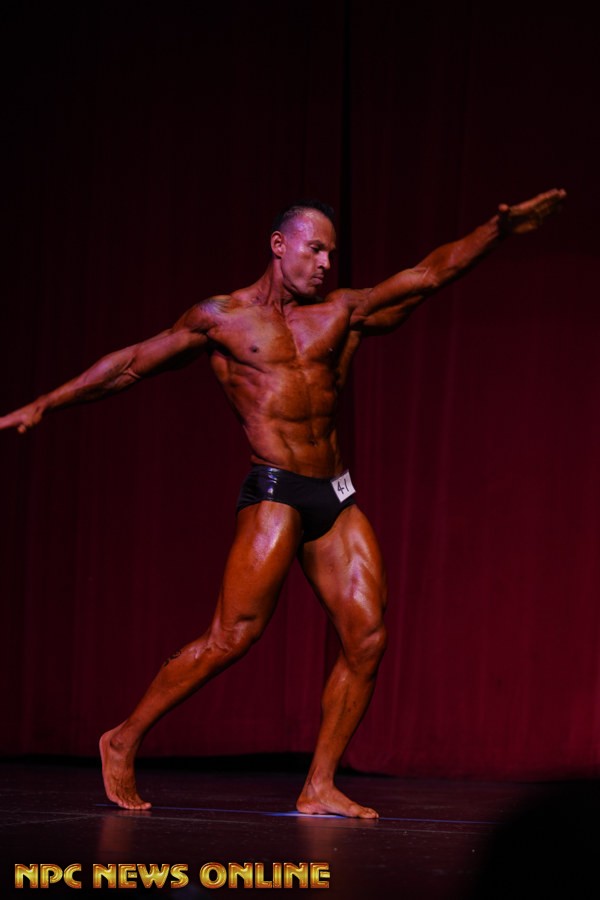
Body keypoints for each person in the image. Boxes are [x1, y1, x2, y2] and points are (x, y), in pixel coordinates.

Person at [0, 188, 566, 817]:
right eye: (315, 249)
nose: (325, 263)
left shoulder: (341, 312)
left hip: (335, 495)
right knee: (232, 636)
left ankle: (318, 784)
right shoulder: (221, 319)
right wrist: (46, 403)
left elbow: (428, 275)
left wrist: (496, 231)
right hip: (275, 489)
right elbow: (131, 363)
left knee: (367, 638)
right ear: (279, 245)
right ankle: (123, 737)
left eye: (331, 253)